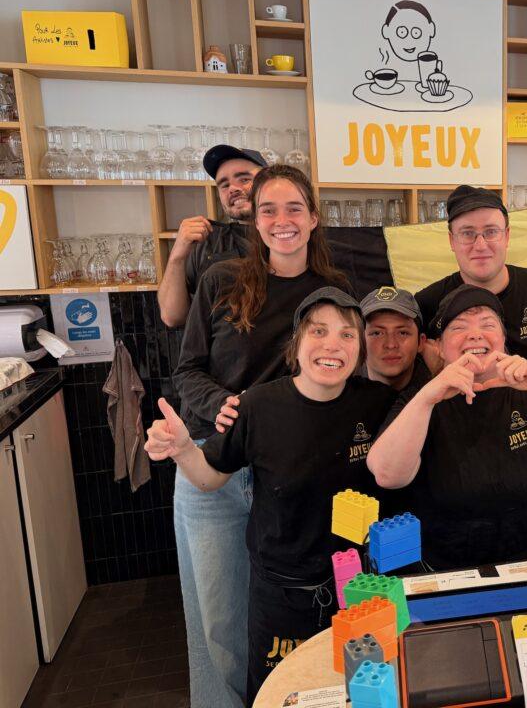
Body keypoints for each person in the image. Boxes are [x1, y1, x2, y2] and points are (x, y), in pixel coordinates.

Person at [148, 288, 394, 705]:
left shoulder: (376, 403)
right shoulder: (258, 406)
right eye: (319, 331)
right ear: (296, 344)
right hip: (282, 595)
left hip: (358, 589)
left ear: (359, 351)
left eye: (347, 334)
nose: (332, 345)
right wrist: (184, 450)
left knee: (360, 694)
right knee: (281, 696)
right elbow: (210, 478)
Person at [171, 164, 349, 708]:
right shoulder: (220, 280)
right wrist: (222, 405)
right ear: (255, 220)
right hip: (214, 465)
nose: (281, 220)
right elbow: (187, 370)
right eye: (268, 209)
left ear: (313, 217)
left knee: (287, 613)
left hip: (291, 471)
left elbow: (345, 370)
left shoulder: (334, 291)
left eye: (294, 208)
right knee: (219, 622)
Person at [367, 284, 527, 570]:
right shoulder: (420, 399)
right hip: (445, 570)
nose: (475, 334)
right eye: (459, 327)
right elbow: (388, 475)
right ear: (439, 347)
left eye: (487, 325)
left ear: (503, 340)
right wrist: (428, 397)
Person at [415, 185, 527, 553]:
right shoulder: (428, 303)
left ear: (508, 236)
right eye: (467, 233)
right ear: (451, 240)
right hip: (466, 469)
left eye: (491, 232)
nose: (480, 244)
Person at [158, 145, 266, 327]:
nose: (233, 188)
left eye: (245, 179)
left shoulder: (293, 237)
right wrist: (177, 256)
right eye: (224, 185)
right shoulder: (206, 241)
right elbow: (172, 317)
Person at [360, 286, 432, 394]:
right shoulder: (340, 385)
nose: (391, 345)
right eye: (377, 333)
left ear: (421, 342)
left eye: (402, 333)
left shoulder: (443, 389)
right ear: (358, 342)